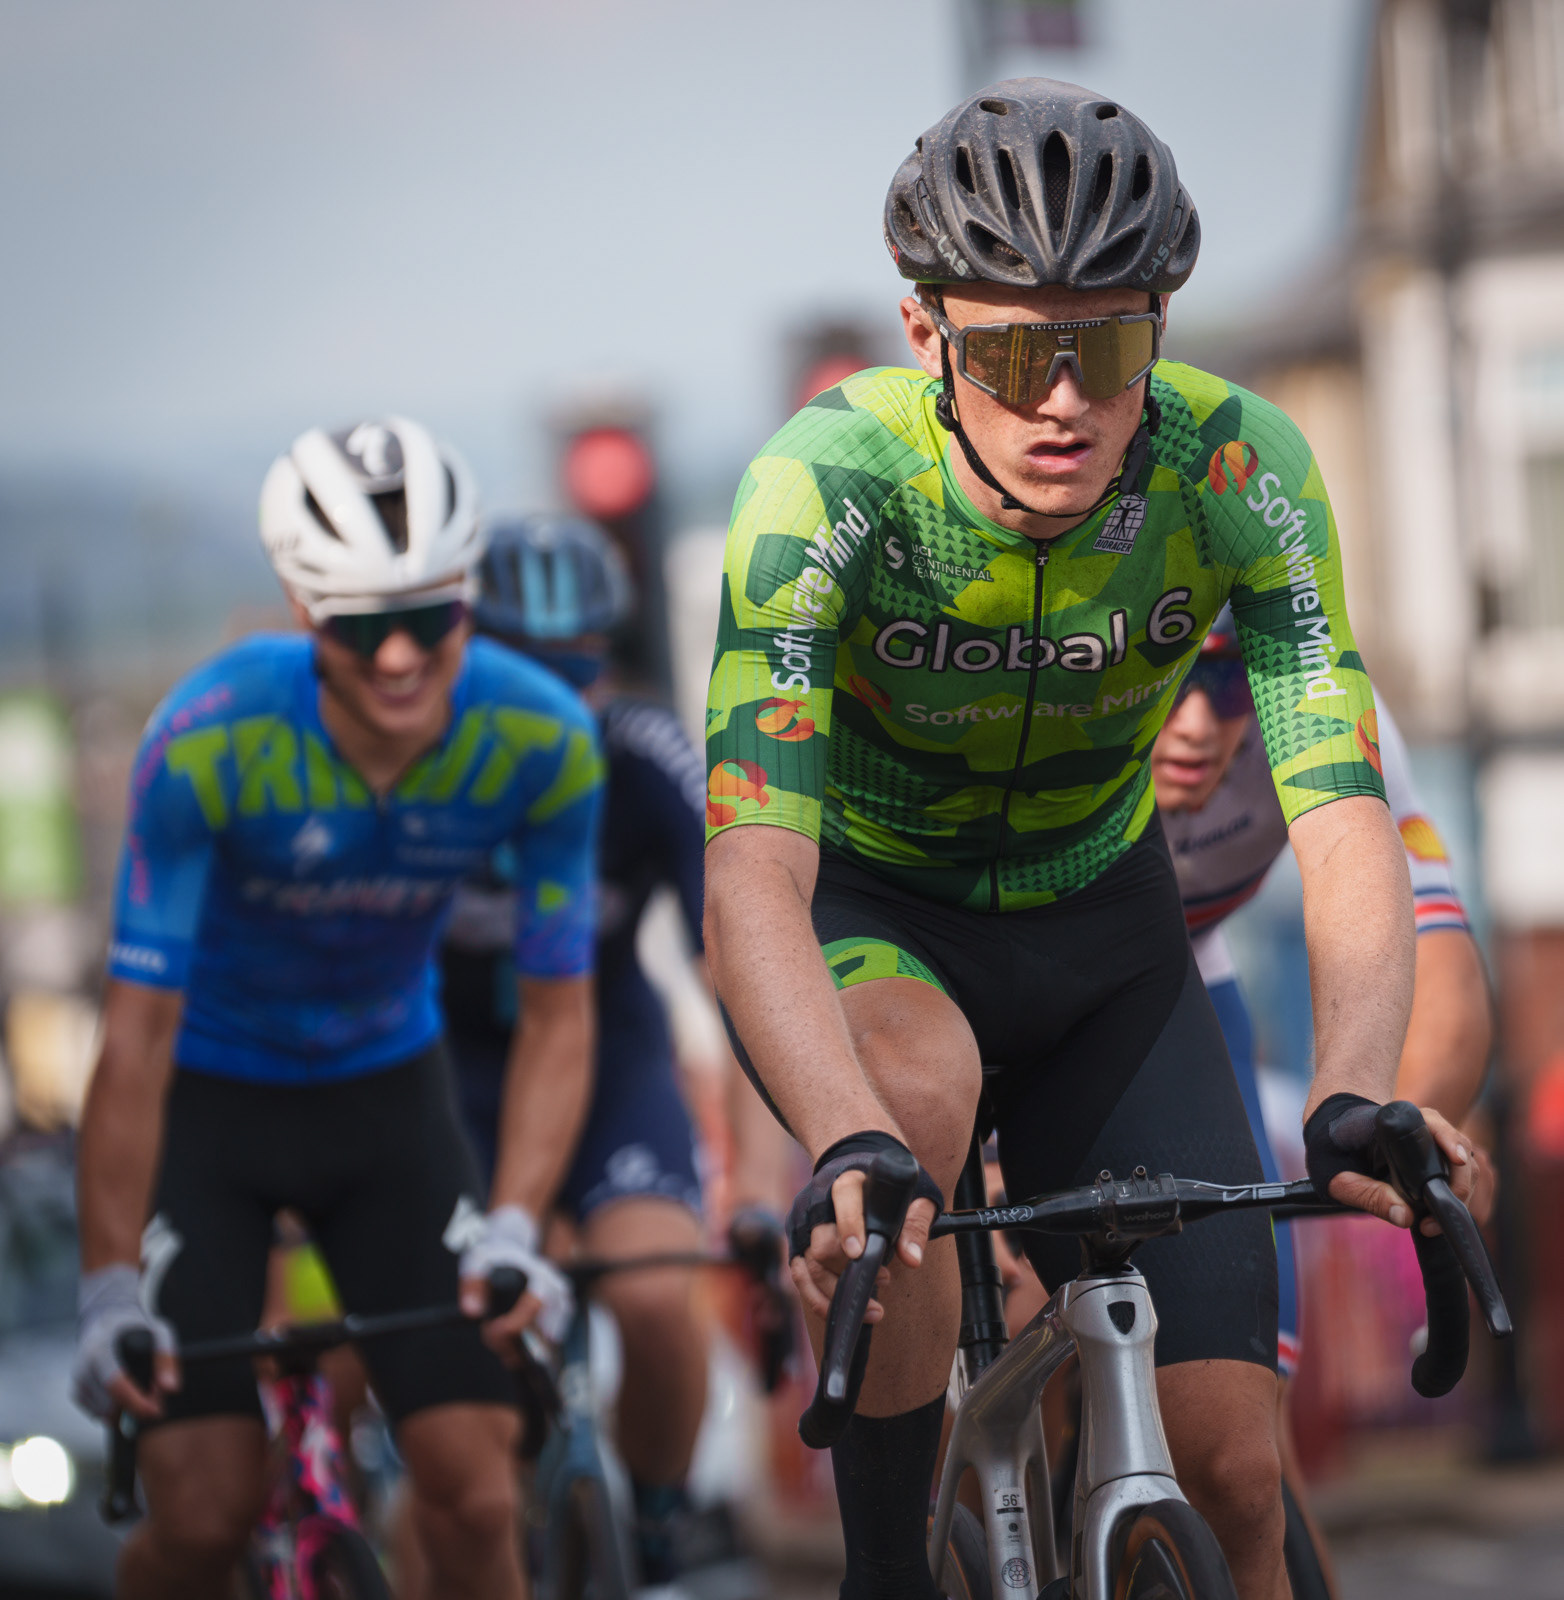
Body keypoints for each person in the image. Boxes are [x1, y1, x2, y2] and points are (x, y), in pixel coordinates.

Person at [701, 78, 1481, 1600]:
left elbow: (1339, 813)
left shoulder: (1239, 469)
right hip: (877, 914)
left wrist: (1348, 1087)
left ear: (1159, 336)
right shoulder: (823, 487)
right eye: (1012, 351)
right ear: (925, 334)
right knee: (913, 1095)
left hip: (1105, 934)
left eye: (1108, 348)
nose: (1062, 399)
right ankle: (887, 1571)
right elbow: (752, 868)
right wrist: (844, 1133)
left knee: (1235, 1473)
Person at [73, 417, 603, 1600]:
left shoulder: (541, 738)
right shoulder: (207, 738)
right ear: (303, 612)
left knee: (476, 1492)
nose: (399, 656)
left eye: (430, 618)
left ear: (468, 601)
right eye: (360, 627)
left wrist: (516, 1224)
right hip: (209, 1107)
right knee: (203, 1515)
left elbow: (559, 1014)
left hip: (387, 1101)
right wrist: (106, 1286)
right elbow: (135, 1039)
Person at [1152, 608, 1494, 1596]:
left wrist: (1403, 1139)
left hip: (1181, 976)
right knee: (1020, 1323)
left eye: (1226, 684)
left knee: (1242, 1446)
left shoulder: (1322, 699)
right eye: (1172, 680)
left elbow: (1438, 972)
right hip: (996, 975)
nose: (1195, 724)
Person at [442, 514, 730, 1594]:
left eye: (582, 667)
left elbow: (734, 962)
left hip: (611, 1062)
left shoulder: (642, 751)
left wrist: (767, 1163)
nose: (562, 699)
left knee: (654, 1296)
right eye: (528, 670)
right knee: (481, 1368)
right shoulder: (421, 760)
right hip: (459, 1081)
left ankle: (656, 1520)